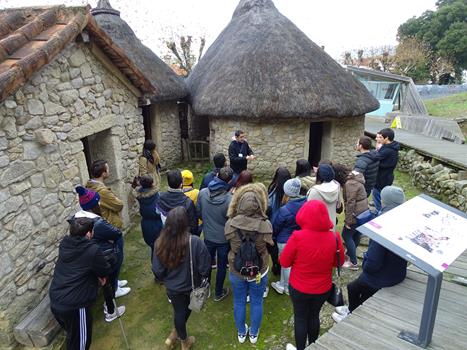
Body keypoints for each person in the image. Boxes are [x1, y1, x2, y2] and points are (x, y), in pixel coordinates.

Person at [332, 186, 408, 323]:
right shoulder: (404, 218)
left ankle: (351, 314)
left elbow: (373, 262)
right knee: (358, 289)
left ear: (386, 202)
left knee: (353, 288)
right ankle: (352, 308)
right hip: (398, 271)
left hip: (383, 277)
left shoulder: (383, 225)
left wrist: (366, 262)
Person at [280, 200, 345, 350]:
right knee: (314, 316)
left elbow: (284, 261)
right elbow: (339, 262)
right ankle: (313, 346)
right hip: (322, 288)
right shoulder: (334, 237)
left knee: (300, 317)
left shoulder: (297, 236)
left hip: (299, 287)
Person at [49, 217, 113, 350]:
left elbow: (78, 265)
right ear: (89, 234)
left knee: (73, 338)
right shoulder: (92, 250)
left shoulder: (64, 245)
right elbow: (104, 270)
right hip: (75, 306)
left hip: (56, 301)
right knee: (81, 344)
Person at [153, 207, 210, 350]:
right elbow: (205, 267)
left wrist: (167, 279)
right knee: (187, 310)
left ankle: (175, 334)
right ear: (186, 223)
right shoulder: (195, 242)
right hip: (192, 285)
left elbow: (158, 271)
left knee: (179, 312)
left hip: (172, 288)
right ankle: (184, 342)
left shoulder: (159, 243)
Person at [225, 183, 273, 344]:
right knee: (256, 301)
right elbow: (268, 246)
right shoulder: (266, 225)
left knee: (238, 301)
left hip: (236, 269)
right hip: (259, 269)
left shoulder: (229, 224)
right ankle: (253, 333)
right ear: (261, 204)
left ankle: (241, 332)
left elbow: (228, 244)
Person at [75, 186, 130, 301]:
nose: (100, 204)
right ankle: (114, 290)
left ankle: (115, 283)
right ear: (93, 206)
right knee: (113, 267)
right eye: (98, 201)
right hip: (105, 253)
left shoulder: (78, 219)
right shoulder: (97, 223)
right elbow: (116, 233)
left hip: (96, 252)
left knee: (110, 275)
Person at [197, 167, 233, 302]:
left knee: (206, 263)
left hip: (208, 235)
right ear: (229, 182)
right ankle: (218, 292)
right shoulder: (230, 199)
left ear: (217, 175)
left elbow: (199, 212)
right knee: (222, 265)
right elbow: (231, 221)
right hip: (223, 238)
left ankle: (204, 289)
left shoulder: (202, 193)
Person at [271, 178, 306, 296]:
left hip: (285, 240)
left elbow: (276, 226)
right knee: (292, 263)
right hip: (299, 237)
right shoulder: (305, 203)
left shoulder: (285, 209)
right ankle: (281, 283)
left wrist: (274, 236)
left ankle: (287, 287)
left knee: (286, 264)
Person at [340, 168, 369, 270]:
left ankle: (353, 262)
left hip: (356, 213)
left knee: (346, 235)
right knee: (356, 234)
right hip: (363, 211)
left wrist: (348, 220)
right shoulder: (357, 178)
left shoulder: (350, 184)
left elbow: (350, 202)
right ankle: (349, 254)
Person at [156, 170, 198, 236]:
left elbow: (158, 219)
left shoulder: (160, 198)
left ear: (168, 183)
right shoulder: (188, 202)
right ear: (181, 184)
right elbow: (193, 227)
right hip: (183, 239)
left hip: (166, 236)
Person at [267, 167, 292, 276]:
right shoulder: (291, 191)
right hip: (287, 223)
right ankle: (283, 266)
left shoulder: (273, 189)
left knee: (273, 248)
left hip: (274, 223)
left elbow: (269, 206)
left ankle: (276, 266)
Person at [86, 160, 124, 229]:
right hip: (110, 227)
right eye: (107, 169)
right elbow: (119, 205)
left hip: (102, 226)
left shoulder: (89, 186)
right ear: (103, 173)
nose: (109, 171)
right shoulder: (102, 191)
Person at [135, 175, 162, 263]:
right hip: (157, 224)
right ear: (152, 184)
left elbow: (136, 189)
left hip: (146, 224)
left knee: (152, 246)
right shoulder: (157, 195)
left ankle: (155, 266)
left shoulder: (140, 197)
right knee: (160, 247)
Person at [373, 128, 400, 212]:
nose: (378, 139)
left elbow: (375, 159)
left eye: (381, 137)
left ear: (386, 138)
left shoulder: (388, 150)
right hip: (386, 177)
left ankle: (380, 213)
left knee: (379, 199)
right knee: (382, 198)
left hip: (382, 179)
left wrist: (377, 152)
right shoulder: (391, 147)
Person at [307, 164, 341, 230]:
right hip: (331, 224)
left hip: (317, 227)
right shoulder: (336, 186)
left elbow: (308, 211)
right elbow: (338, 206)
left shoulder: (314, 191)